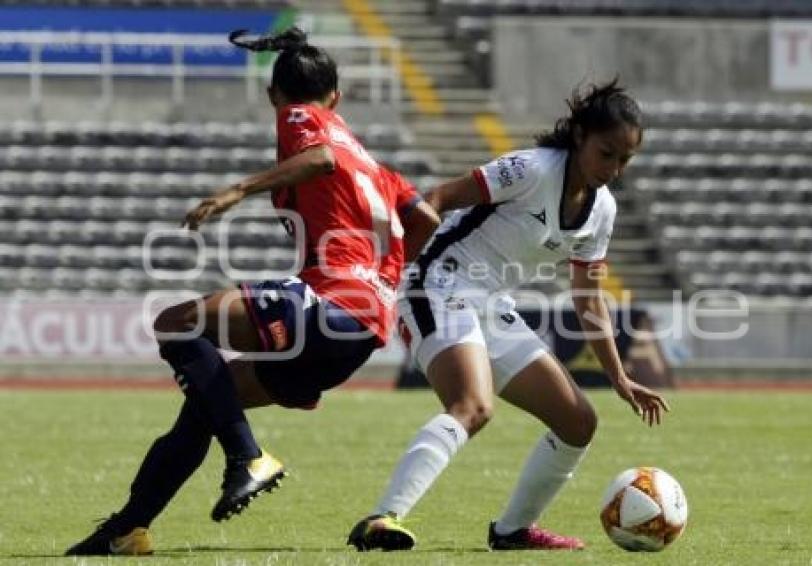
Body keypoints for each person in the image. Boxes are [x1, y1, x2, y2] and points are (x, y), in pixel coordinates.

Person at [65, 27, 440, 556]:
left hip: (329, 305)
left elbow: (320, 159)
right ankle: (127, 529)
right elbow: (424, 216)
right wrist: (385, 280)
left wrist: (234, 191)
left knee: (176, 323)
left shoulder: (303, 117)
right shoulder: (379, 170)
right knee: (206, 402)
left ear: (275, 97)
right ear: (339, 93)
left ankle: (247, 457)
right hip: (359, 334)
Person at [348, 79, 670, 552]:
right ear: (580, 135)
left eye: (625, 160)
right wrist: (389, 275)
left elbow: (588, 297)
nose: (614, 169)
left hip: (491, 303)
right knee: (473, 407)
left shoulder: (602, 209)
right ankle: (382, 518)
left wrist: (619, 377)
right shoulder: (532, 169)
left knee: (578, 421)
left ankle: (513, 531)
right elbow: (436, 198)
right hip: (436, 284)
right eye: (608, 154)